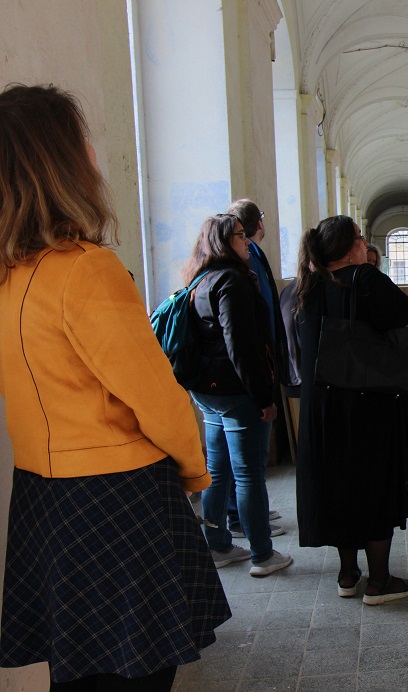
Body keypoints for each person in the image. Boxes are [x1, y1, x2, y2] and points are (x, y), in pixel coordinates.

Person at [0, 83, 230, 690]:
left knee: (79, 671)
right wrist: (193, 470)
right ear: (60, 162)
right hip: (117, 498)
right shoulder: (84, 269)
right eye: (83, 142)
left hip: (42, 498)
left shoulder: (8, 277)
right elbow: (155, 397)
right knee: (138, 674)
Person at [293, 216, 408, 604]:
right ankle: (379, 581)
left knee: (340, 486)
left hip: (324, 405)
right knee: (373, 484)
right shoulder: (363, 278)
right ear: (349, 249)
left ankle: (347, 575)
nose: (365, 244)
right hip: (367, 402)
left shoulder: (306, 286)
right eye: (360, 239)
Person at [185, 214, 292, 577]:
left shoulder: (200, 279)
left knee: (217, 472)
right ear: (222, 241)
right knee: (248, 476)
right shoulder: (232, 281)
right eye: (240, 235)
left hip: (209, 392)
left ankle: (218, 546)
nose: (247, 241)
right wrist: (263, 398)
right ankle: (262, 554)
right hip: (237, 392)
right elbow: (241, 347)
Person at [226, 198, 287, 537]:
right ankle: (244, 520)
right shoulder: (236, 269)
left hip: (262, 362)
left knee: (248, 459)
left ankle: (251, 512)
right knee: (245, 460)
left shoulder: (254, 255)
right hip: (250, 372)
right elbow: (242, 335)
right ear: (257, 223)